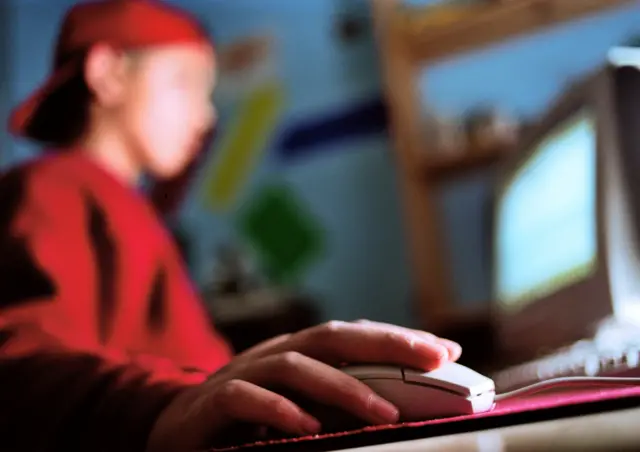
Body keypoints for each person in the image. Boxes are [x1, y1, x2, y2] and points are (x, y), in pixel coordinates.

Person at [0, 1, 462, 451]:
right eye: (186, 84)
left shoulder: (131, 207)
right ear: (107, 71)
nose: (207, 116)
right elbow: (19, 363)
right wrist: (161, 406)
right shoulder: (51, 186)